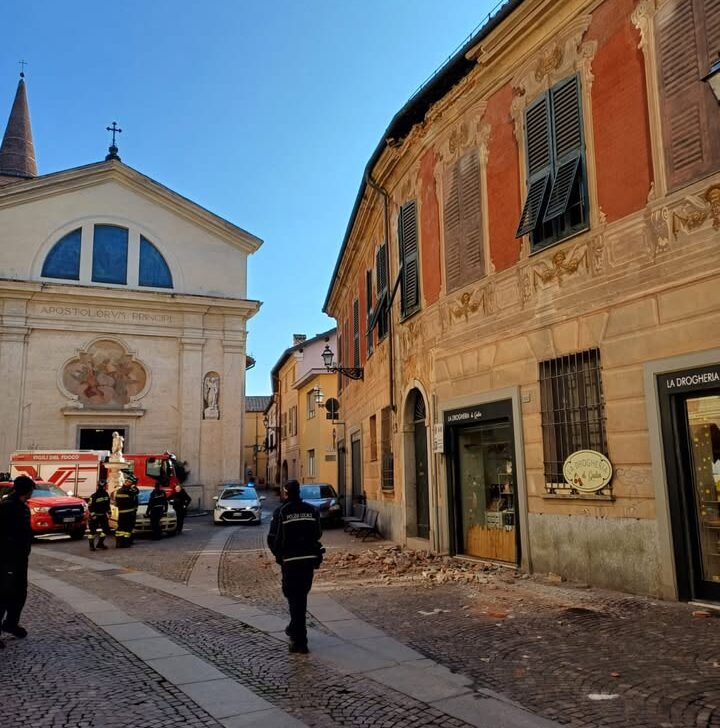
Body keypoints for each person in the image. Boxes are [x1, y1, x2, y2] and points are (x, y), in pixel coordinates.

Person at [267, 479, 324, 654]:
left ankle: (300, 640)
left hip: (291, 561)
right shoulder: (311, 510)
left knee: (293, 598)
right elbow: (318, 533)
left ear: (285, 493)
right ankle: (295, 629)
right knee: (301, 597)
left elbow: (273, 538)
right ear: (299, 492)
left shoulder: (282, 511)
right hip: (308, 560)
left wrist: (279, 555)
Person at [0, 475, 35, 647]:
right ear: (26, 490)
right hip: (7, 559)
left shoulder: (22, 506)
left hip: (20, 559)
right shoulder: (7, 507)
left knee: (20, 593)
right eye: (31, 490)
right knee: (4, 595)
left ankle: (11, 623)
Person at [86, 480, 112, 551]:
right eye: (106, 485)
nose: (106, 487)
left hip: (103, 515)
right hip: (95, 516)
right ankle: (91, 546)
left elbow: (107, 505)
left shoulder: (106, 494)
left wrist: (109, 513)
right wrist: (93, 515)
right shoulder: (94, 496)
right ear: (103, 486)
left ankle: (100, 544)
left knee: (106, 530)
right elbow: (90, 506)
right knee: (92, 532)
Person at [113, 474, 137, 548]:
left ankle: (118, 543)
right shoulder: (129, 491)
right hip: (128, 513)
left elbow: (116, 502)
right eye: (131, 483)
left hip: (121, 513)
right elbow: (136, 492)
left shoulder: (119, 491)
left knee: (120, 528)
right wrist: (134, 486)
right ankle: (125, 543)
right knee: (127, 529)